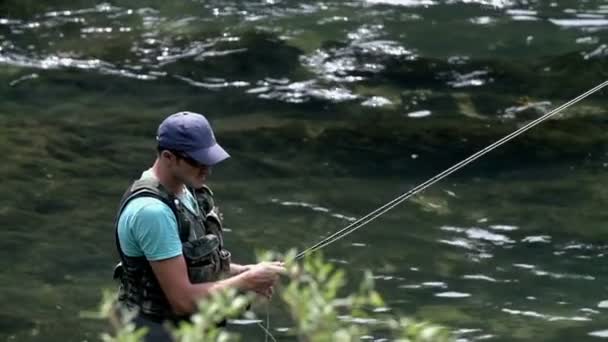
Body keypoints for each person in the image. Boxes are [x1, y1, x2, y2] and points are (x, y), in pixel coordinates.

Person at [112, 111, 285, 341]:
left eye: (209, 159)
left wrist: (244, 270)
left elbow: (190, 264)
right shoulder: (152, 213)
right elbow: (182, 300)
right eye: (197, 161)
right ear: (168, 157)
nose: (207, 169)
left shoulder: (186, 189)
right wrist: (247, 282)